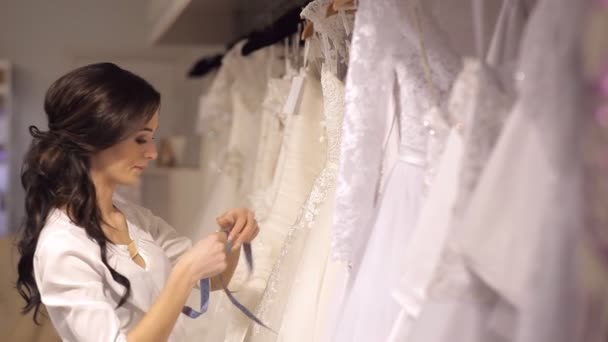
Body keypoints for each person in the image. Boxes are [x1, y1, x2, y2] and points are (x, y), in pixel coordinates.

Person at [14, 62, 259, 342]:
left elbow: (214, 280)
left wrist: (233, 237)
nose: (153, 153)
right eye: (141, 139)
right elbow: (188, 275)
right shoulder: (63, 247)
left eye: (152, 138)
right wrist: (185, 274)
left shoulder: (133, 218)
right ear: (96, 137)